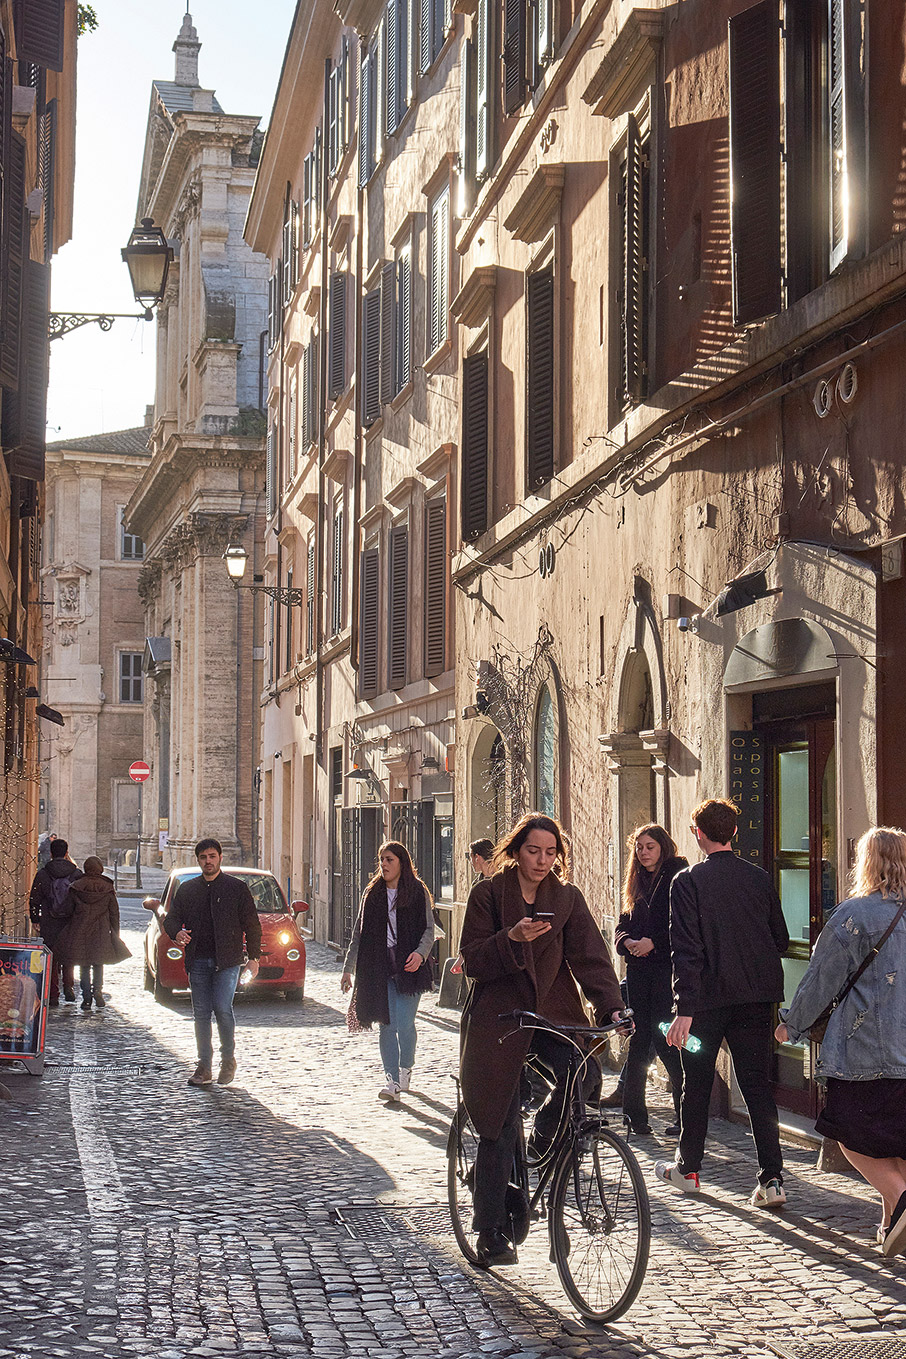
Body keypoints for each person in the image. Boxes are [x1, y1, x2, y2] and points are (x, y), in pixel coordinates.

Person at [459, 812, 625, 1266]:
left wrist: (611, 1006)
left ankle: (543, 1139)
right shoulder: (488, 894)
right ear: (515, 851)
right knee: (501, 1117)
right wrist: (510, 938)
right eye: (533, 851)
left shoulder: (566, 899)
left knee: (585, 1071)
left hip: (550, 1012)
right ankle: (490, 1231)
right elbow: (472, 958)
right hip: (501, 1018)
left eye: (551, 853)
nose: (541, 860)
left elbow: (591, 957)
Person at [777, 827, 906, 1256]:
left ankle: (902, 1202)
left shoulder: (853, 916)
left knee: (849, 1133)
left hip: (866, 1048)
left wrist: (791, 1025)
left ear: (865, 862)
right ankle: (892, 1223)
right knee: (897, 1138)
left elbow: (820, 981)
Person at [657, 798, 789, 1208]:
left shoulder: (687, 882)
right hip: (755, 998)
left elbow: (686, 949)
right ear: (734, 832)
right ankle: (772, 1180)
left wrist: (684, 1010)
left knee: (696, 1085)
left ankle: (689, 1168)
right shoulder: (759, 878)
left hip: (706, 1003)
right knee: (756, 1087)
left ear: (698, 834)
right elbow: (780, 939)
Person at [162, 838, 262, 1088]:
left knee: (223, 1009)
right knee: (201, 1014)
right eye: (203, 857)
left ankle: (228, 1059)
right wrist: (177, 933)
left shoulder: (236, 888)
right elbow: (171, 919)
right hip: (197, 960)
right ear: (198, 860)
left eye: (212, 856)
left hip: (227, 960)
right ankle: (204, 1065)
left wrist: (254, 958)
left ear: (220, 858)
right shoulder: (187, 890)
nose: (208, 861)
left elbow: (252, 925)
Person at [341, 841, 435, 1102]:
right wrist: (348, 969)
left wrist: (420, 954)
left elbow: (429, 929)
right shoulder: (372, 894)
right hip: (378, 969)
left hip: (409, 968)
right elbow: (358, 935)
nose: (383, 864)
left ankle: (406, 1067)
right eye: (381, 859)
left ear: (401, 863)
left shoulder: (417, 892)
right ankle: (392, 1080)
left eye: (389, 859)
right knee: (386, 1025)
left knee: (405, 1025)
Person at [615, 823, 688, 1135]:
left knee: (665, 1039)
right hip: (637, 970)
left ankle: (685, 1115)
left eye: (650, 847)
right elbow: (623, 922)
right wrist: (626, 942)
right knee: (638, 1039)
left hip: (663, 971)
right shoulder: (635, 880)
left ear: (662, 847)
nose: (644, 853)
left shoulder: (678, 876)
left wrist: (653, 943)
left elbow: (683, 924)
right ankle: (634, 1115)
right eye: (640, 847)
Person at [53, 857, 130, 1010]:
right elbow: (114, 913)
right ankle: (98, 991)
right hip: (101, 931)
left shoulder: (76, 887)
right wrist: (115, 933)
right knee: (98, 963)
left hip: (79, 930)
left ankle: (86, 996)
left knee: (84, 964)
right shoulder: (107, 887)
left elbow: (68, 910)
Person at [28, 838, 80, 1005]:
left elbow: (34, 898)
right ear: (66, 853)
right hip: (70, 921)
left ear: (50, 853)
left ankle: (53, 993)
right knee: (69, 955)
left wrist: (35, 919)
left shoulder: (43, 873)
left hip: (49, 920)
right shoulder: (76, 874)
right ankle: (69, 986)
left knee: (50, 957)